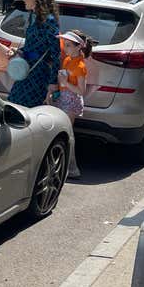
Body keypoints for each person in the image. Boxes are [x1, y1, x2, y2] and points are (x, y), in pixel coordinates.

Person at [47, 30, 94, 178]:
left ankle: (72, 168)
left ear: (78, 47)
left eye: (68, 45)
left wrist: (65, 83)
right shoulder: (67, 60)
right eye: (65, 45)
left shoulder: (80, 66)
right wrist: (55, 91)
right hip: (63, 98)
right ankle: (65, 166)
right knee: (63, 132)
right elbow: (62, 82)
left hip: (72, 101)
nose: (65, 48)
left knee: (67, 134)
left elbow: (81, 91)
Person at [8, 0, 61, 108]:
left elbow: (56, 54)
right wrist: (18, 51)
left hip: (39, 75)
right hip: (27, 71)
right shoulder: (34, 17)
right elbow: (33, 46)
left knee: (28, 111)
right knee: (15, 106)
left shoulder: (49, 21)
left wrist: (53, 83)